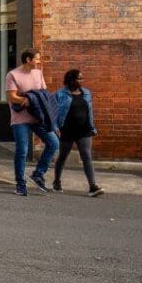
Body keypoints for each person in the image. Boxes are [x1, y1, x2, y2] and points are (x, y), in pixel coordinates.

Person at [5, 48, 60, 196]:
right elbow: (12, 97)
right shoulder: (13, 75)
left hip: (38, 117)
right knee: (22, 151)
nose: (39, 61)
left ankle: (38, 174)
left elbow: (44, 94)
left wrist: (48, 115)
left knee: (54, 143)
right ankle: (20, 183)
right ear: (28, 60)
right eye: (37, 59)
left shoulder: (38, 73)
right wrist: (28, 100)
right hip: (20, 119)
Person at [54, 69, 103, 197]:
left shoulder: (86, 93)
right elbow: (53, 113)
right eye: (79, 78)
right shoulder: (60, 94)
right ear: (71, 80)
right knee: (63, 156)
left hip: (84, 130)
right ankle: (57, 181)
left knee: (86, 156)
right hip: (67, 130)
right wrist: (56, 128)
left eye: (82, 78)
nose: (82, 81)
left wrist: (92, 127)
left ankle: (93, 186)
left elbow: (89, 112)